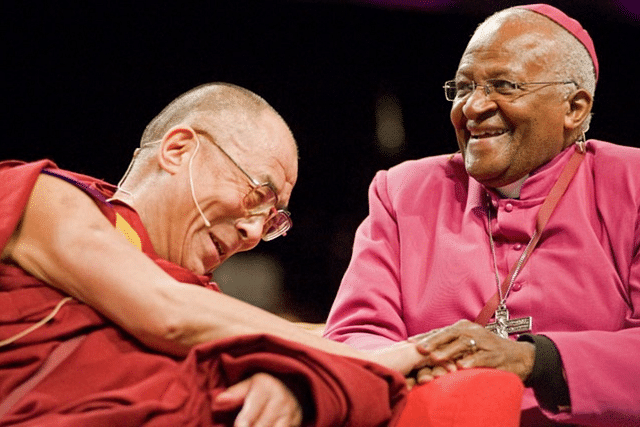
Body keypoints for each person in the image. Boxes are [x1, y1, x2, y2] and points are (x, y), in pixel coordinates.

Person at [0, 82, 434, 427]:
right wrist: (370, 358)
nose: (250, 231)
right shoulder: (44, 197)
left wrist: (293, 378)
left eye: (270, 221)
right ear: (177, 150)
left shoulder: (201, 302)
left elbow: (292, 332)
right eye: (256, 195)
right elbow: (166, 312)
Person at [323, 4, 640, 426]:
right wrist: (425, 360)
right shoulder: (403, 192)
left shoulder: (632, 185)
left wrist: (533, 359)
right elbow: (353, 336)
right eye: (464, 87)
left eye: (503, 86)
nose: (472, 107)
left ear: (575, 108)